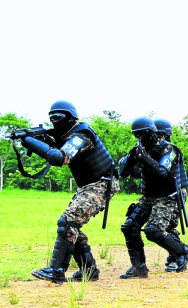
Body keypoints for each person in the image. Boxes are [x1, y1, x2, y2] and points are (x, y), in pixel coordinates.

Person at [23, 100, 119, 284]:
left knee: (67, 222)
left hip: (101, 185)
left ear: (70, 117)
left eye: (58, 116)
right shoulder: (64, 136)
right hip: (87, 186)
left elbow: (59, 158)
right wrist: (34, 139)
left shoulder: (81, 135)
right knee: (71, 227)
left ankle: (56, 270)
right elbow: (53, 148)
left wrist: (29, 140)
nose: (54, 120)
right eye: (51, 117)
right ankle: (88, 271)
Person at [118, 117, 188, 279]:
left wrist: (144, 157)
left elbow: (162, 172)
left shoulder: (169, 149)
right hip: (149, 196)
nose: (140, 138)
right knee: (129, 227)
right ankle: (139, 267)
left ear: (153, 133)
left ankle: (182, 252)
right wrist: (130, 159)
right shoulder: (140, 149)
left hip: (168, 196)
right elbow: (122, 173)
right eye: (136, 135)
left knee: (153, 230)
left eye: (143, 134)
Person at [154, 118, 188, 269]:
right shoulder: (153, 150)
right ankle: (175, 254)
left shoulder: (170, 149)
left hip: (174, 192)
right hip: (159, 192)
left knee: (165, 227)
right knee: (165, 227)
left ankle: (180, 253)